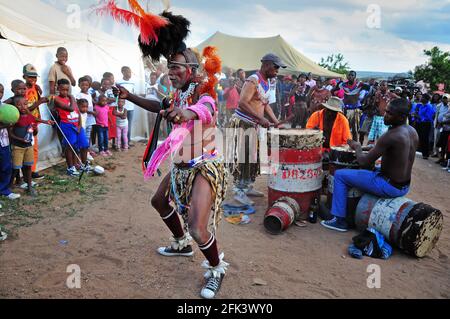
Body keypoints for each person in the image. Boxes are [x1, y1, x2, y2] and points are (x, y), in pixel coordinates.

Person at [115, 44, 229, 298]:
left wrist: (185, 113)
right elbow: (159, 106)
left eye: (175, 67)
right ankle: (181, 244)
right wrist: (128, 96)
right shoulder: (178, 94)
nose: (170, 73)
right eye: (169, 68)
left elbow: (206, 109)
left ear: (190, 69)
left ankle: (216, 269)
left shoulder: (203, 92)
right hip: (180, 166)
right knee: (158, 201)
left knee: (198, 227)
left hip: (204, 166)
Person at [321, 98, 419, 232]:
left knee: (340, 175)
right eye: (386, 112)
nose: (385, 115)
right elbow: (394, 154)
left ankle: (339, 220)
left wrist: (357, 146)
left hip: (389, 186)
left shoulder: (391, 135)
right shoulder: (412, 131)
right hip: (404, 186)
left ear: (402, 116)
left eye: (390, 114)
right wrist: (371, 148)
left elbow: (363, 162)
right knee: (372, 169)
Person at [229, 53, 283, 205]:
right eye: (276, 67)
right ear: (266, 65)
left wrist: (276, 121)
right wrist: (260, 119)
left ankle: (247, 186)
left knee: (252, 158)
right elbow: (242, 103)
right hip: (244, 124)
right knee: (243, 157)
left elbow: (264, 105)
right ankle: (239, 191)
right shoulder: (253, 80)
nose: (277, 70)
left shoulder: (267, 82)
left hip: (254, 126)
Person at [8, 96, 53, 196]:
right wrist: (21, 139)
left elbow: (35, 121)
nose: (23, 107)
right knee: (15, 168)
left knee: (28, 166)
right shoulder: (15, 117)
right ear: (14, 107)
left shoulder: (29, 115)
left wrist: (46, 122)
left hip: (28, 146)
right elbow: (10, 134)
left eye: (25, 104)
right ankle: (8, 187)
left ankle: (29, 186)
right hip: (18, 147)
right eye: (19, 105)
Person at [53, 79, 89, 176]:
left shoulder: (71, 98)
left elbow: (78, 113)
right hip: (66, 125)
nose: (65, 92)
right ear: (58, 88)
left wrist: (79, 125)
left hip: (77, 124)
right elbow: (71, 108)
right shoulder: (57, 99)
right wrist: (72, 97)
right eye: (63, 90)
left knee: (84, 144)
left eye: (67, 90)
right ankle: (70, 168)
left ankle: (84, 165)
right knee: (70, 145)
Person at [22, 64, 46, 180]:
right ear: (24, 76)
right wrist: (40, 102)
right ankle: (25, 173)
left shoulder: (35, 88)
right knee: (27, 148)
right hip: (27, 123)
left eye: (35, 77)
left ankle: (32, 170)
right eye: (30, 77)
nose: (33, 79)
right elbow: (26, 109)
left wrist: (36, 86)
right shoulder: (23, 91)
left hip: (34, 122)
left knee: (34, 147)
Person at [331, 71, 368, 141]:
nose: (350, 76)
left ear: (355, 77)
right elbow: (333, 90)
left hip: (355, 110)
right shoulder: (343, 84)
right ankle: (343, 144)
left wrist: (364, 101)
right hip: (345, 109)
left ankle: (355, 146)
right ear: (347, 76)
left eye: (352, 75)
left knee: (355, 130)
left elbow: (371, 90)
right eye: (349, 75)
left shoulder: (359, 85)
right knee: (344, 128)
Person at [0, 84, 21, 200]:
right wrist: (5, 124)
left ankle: (4, 190)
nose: (0, 94)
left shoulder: (5, 107)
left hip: (4, 141)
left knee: (6, 166)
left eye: (1, 92)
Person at [116, 66, 137, 145]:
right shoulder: (118, 82)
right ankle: (120, 142)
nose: (129, 74)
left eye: (130, 72)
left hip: (131, 107)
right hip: (121, 107)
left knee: (129, 124)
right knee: (120, 124)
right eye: (127, 72)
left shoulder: (133, 83)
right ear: (123, 72)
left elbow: (133, 94)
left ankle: (127, 141)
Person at [75, 77, 96, 155]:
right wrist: (91, 112)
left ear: (89, 86)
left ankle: (87, 150)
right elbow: (78, 107)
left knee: (88, 134)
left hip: (89, 117)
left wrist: (94, 111)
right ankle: (83, 151)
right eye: (82, 85)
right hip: (82, 118)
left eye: (86, 85)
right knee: (82, 134)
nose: (84, 86)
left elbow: (91, 104)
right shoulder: (78, 95)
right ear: (79, 85)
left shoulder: (89, 94)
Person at [412, 94, 435, 159]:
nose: (421, 98)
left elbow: (428, 118)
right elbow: (417, 113)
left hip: (426, 124)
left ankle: (425, 154)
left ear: (426, 99)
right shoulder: (420, 105)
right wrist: (415, 117)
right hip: (419, 123)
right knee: (419, 137)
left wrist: (418, 116)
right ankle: (420, 151)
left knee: (425, 139)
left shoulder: (429, 107)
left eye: (422, 97)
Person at [435, 95, 449, 166]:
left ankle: (445, 160)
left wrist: (442, 122)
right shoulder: (440, 106)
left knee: (446, 145)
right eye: (443, 99)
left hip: (448, 129)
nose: (444, 100)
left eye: (446, 99)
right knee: (442, 144)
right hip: (442, 128)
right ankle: (441, 158)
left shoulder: (449, 107)